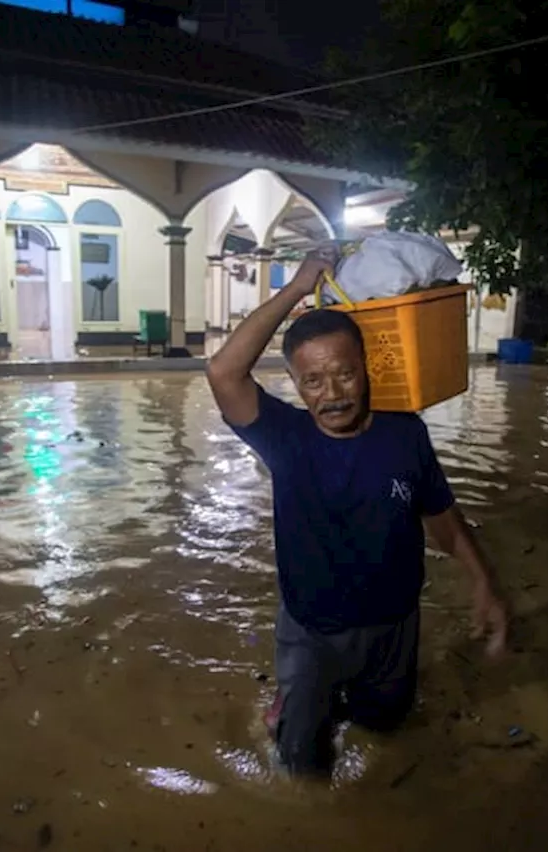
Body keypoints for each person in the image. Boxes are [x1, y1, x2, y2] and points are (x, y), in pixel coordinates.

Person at [205, 249, 510, 777]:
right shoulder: (286, 439)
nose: (333, 394)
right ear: (297, 386)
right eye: (313, 381)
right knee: (302, 763)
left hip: (394, 626)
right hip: (311, 631)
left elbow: (442, 518)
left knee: (385, 728)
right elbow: (223, 371)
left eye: (345, 374)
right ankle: (292, 702)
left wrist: (483, 582)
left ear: (367, 368)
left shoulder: (404, 433)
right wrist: (298, 287)